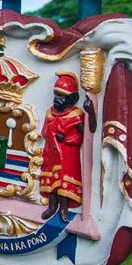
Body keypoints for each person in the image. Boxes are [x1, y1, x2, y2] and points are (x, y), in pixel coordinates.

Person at [40, 71, 95, 222]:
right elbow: (44, 131)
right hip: (51, 152)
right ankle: (51, 207)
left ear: (70, 98)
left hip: (67, 153)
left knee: (65, 179)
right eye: (56, 95)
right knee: (51, 180)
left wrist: (67, 138)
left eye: (61, 96)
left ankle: (64, 209)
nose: (57, 99)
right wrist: (52, 135)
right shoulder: (49, 113)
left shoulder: (76, 115)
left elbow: (83, 134)